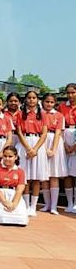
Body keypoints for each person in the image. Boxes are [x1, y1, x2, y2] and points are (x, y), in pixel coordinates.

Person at [16, 90, 48, 216]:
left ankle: (33, 206)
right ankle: (25, 204)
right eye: (29, 97)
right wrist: (28, 147)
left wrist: (35, 149)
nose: (31, 100)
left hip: (38, 146)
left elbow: (44, 133)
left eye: (34, 98)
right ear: (25, 100)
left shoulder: (43, 114)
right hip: (24, 144)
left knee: (36, 178)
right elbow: (18, 131)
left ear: (37, 100)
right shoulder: (20, 114)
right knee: (25, 178)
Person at [40, 94, 67, 214]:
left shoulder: (59, 115)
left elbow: (58, 133)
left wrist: (53, 149)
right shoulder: (39, 114)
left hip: (55, 143)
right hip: (42, 141)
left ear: (55, 103)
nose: (49, 104)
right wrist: (43, 148)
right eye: (47, 102)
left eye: (51, 102)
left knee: (54, 175)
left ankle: (54, 206)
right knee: (45, 176)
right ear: (43, 102)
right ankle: (47, 204)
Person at [0, 146, 28, 226]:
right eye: (5, 156)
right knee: (2, 219)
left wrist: (14, 204)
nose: (7, 159)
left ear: (16, 157)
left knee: (22, 219)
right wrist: (4, 202)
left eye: (10, 156)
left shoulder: (20, 171)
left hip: (14, 195)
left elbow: (19, 190)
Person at [59, 83, 76, 213]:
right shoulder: (62, 107)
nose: (70, 95)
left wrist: (74, 146)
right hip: (65, 137)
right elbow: (59, 126)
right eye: (68, 93)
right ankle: (70, 203)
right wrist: (65, 144)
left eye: (73, 92)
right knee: (68, 174)